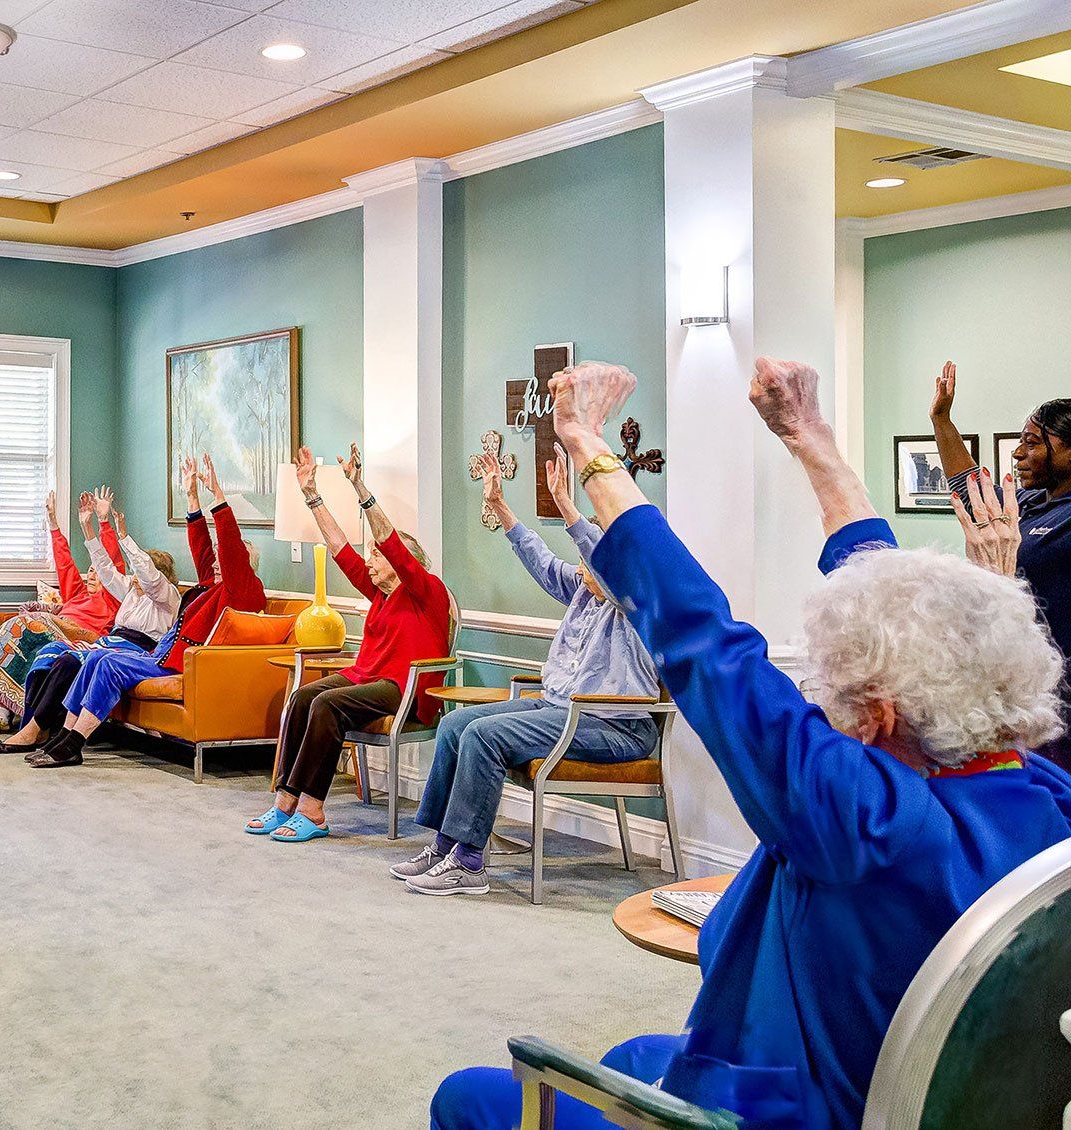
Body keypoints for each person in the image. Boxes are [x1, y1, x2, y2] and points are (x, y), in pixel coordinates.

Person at [428, 358, 1071, 1130]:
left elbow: (704, 637)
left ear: (879, 713)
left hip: (786, 1108)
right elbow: (892, 604)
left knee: (470, 1095)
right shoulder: (1041, 796)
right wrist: (811, 438)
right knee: (639, 1049)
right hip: (899, 1090)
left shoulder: (857, 815)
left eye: (832, 687)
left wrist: (588, 443)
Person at [391, 443, 659, 891]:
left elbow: (601, 562)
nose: (579, 570)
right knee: (457, 724)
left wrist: (567, 504)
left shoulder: (635, 601)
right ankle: (443, 845)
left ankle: (470, 863)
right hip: (559, 711)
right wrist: (501, 508)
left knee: (484, 734)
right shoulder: (583, 590)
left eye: (589, 565)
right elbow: (541, 561)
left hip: (614, 725)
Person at [243, 444, 453, 835]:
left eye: (378, 555)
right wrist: (312, 495)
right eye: (372, 554)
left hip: (404, 688)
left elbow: (390, 540)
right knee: (302, 697)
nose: (371, 559)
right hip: (366, 677)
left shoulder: (427, 591)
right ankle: (284, 802)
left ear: (404, 564)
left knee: (326, 704)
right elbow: (338, 547)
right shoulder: (380, 594)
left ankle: (313, 811)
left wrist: (360, 488)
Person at [27, 455, 268, 769]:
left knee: (109, 663)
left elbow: (228, 543)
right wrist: (193, 495)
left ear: (243, 565)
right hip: (162, 654)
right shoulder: (213, 583)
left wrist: (218, 495)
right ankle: (65, 736)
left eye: (229, 553)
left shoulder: (245, 590)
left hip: (184, 663)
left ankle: (74, 743)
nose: (218, 555)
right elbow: (201, 544)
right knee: (98, 657)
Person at [931, 361, 1071, 768]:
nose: (1018, 452)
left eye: (1033, 443)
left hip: (1062, 701)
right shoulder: (1025, 502)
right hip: (1019, 689)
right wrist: (941, 419)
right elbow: (968, 485)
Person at [0, 486, 180, 758]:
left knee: (68, 661)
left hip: (135, 650)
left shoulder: (166, 598)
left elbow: (149, 576)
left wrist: (123, 536)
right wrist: (87, 526)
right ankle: (38, 727)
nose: (135, 575)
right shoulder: (130, 593)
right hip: (109, 642)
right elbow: (104, 567)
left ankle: (35, 730)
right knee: (51, 653)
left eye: (140, 571)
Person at [0, 490, 126, 736]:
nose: (91, 574)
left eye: (97, 571)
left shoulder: (112, 600)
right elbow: (65, 563)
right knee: (25, 641)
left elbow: (111, 560)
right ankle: (3, 716)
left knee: (28, 624)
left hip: (80, 639)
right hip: (52, 634)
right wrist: (53, 523)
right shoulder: (78, 594)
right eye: (89, 570)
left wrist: (102, 522)